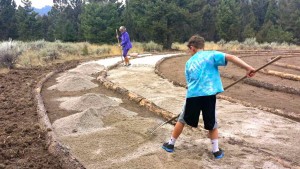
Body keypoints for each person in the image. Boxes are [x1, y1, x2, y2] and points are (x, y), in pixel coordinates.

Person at [161, 35, 256, 159]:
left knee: (182, 119)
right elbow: (231, 57)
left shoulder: (189, 63)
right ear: (202, 46)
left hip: (193, 95)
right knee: (212, 123)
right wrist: (248, 68)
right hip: (209, 96)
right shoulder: (211, 55)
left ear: (192, 47)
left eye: (189, 49)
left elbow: (189, 83)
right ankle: (216, 151)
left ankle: (170, 144)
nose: (190, 51)